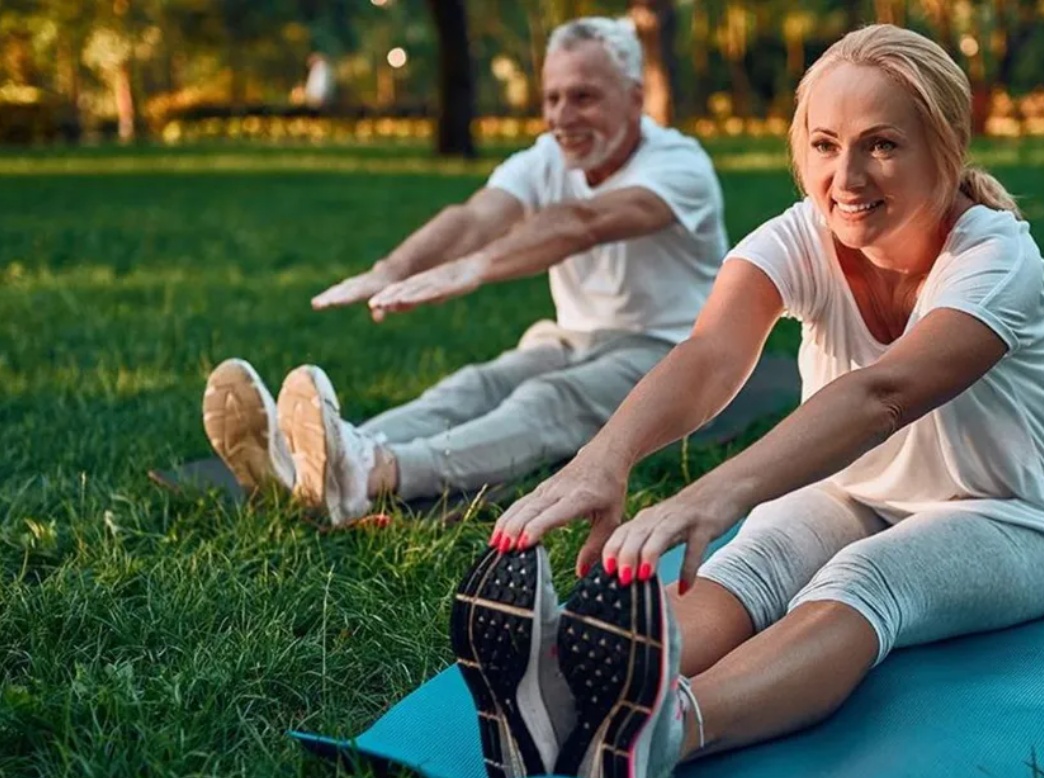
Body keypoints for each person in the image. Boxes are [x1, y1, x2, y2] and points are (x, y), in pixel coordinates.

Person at [452, 23, 1044, 778]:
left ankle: (662, 734)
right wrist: (606, 459)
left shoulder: (996, 260)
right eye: (824, 145)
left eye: (881, 145)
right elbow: (710, 355)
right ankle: (569, 702)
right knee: (748, 563)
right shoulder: (803, 235)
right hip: (852, 492)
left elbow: (881, 395)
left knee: (866, 580)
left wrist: (712, 493)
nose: (846, 176)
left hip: (1011, 519)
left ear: (947, 143)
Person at [200, 17, 727, 527]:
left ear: (635, 98)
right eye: (552, 98)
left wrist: (476, 268)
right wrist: (390, 269)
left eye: (583, 97)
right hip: (573, 337)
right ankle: (316, 455)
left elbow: (583, 222)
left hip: (672, 348)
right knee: (471, 387)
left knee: (550, 400)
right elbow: (476, 216)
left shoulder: (680, 166)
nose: (562, 117)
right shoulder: (548, 156)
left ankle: (376, 473)